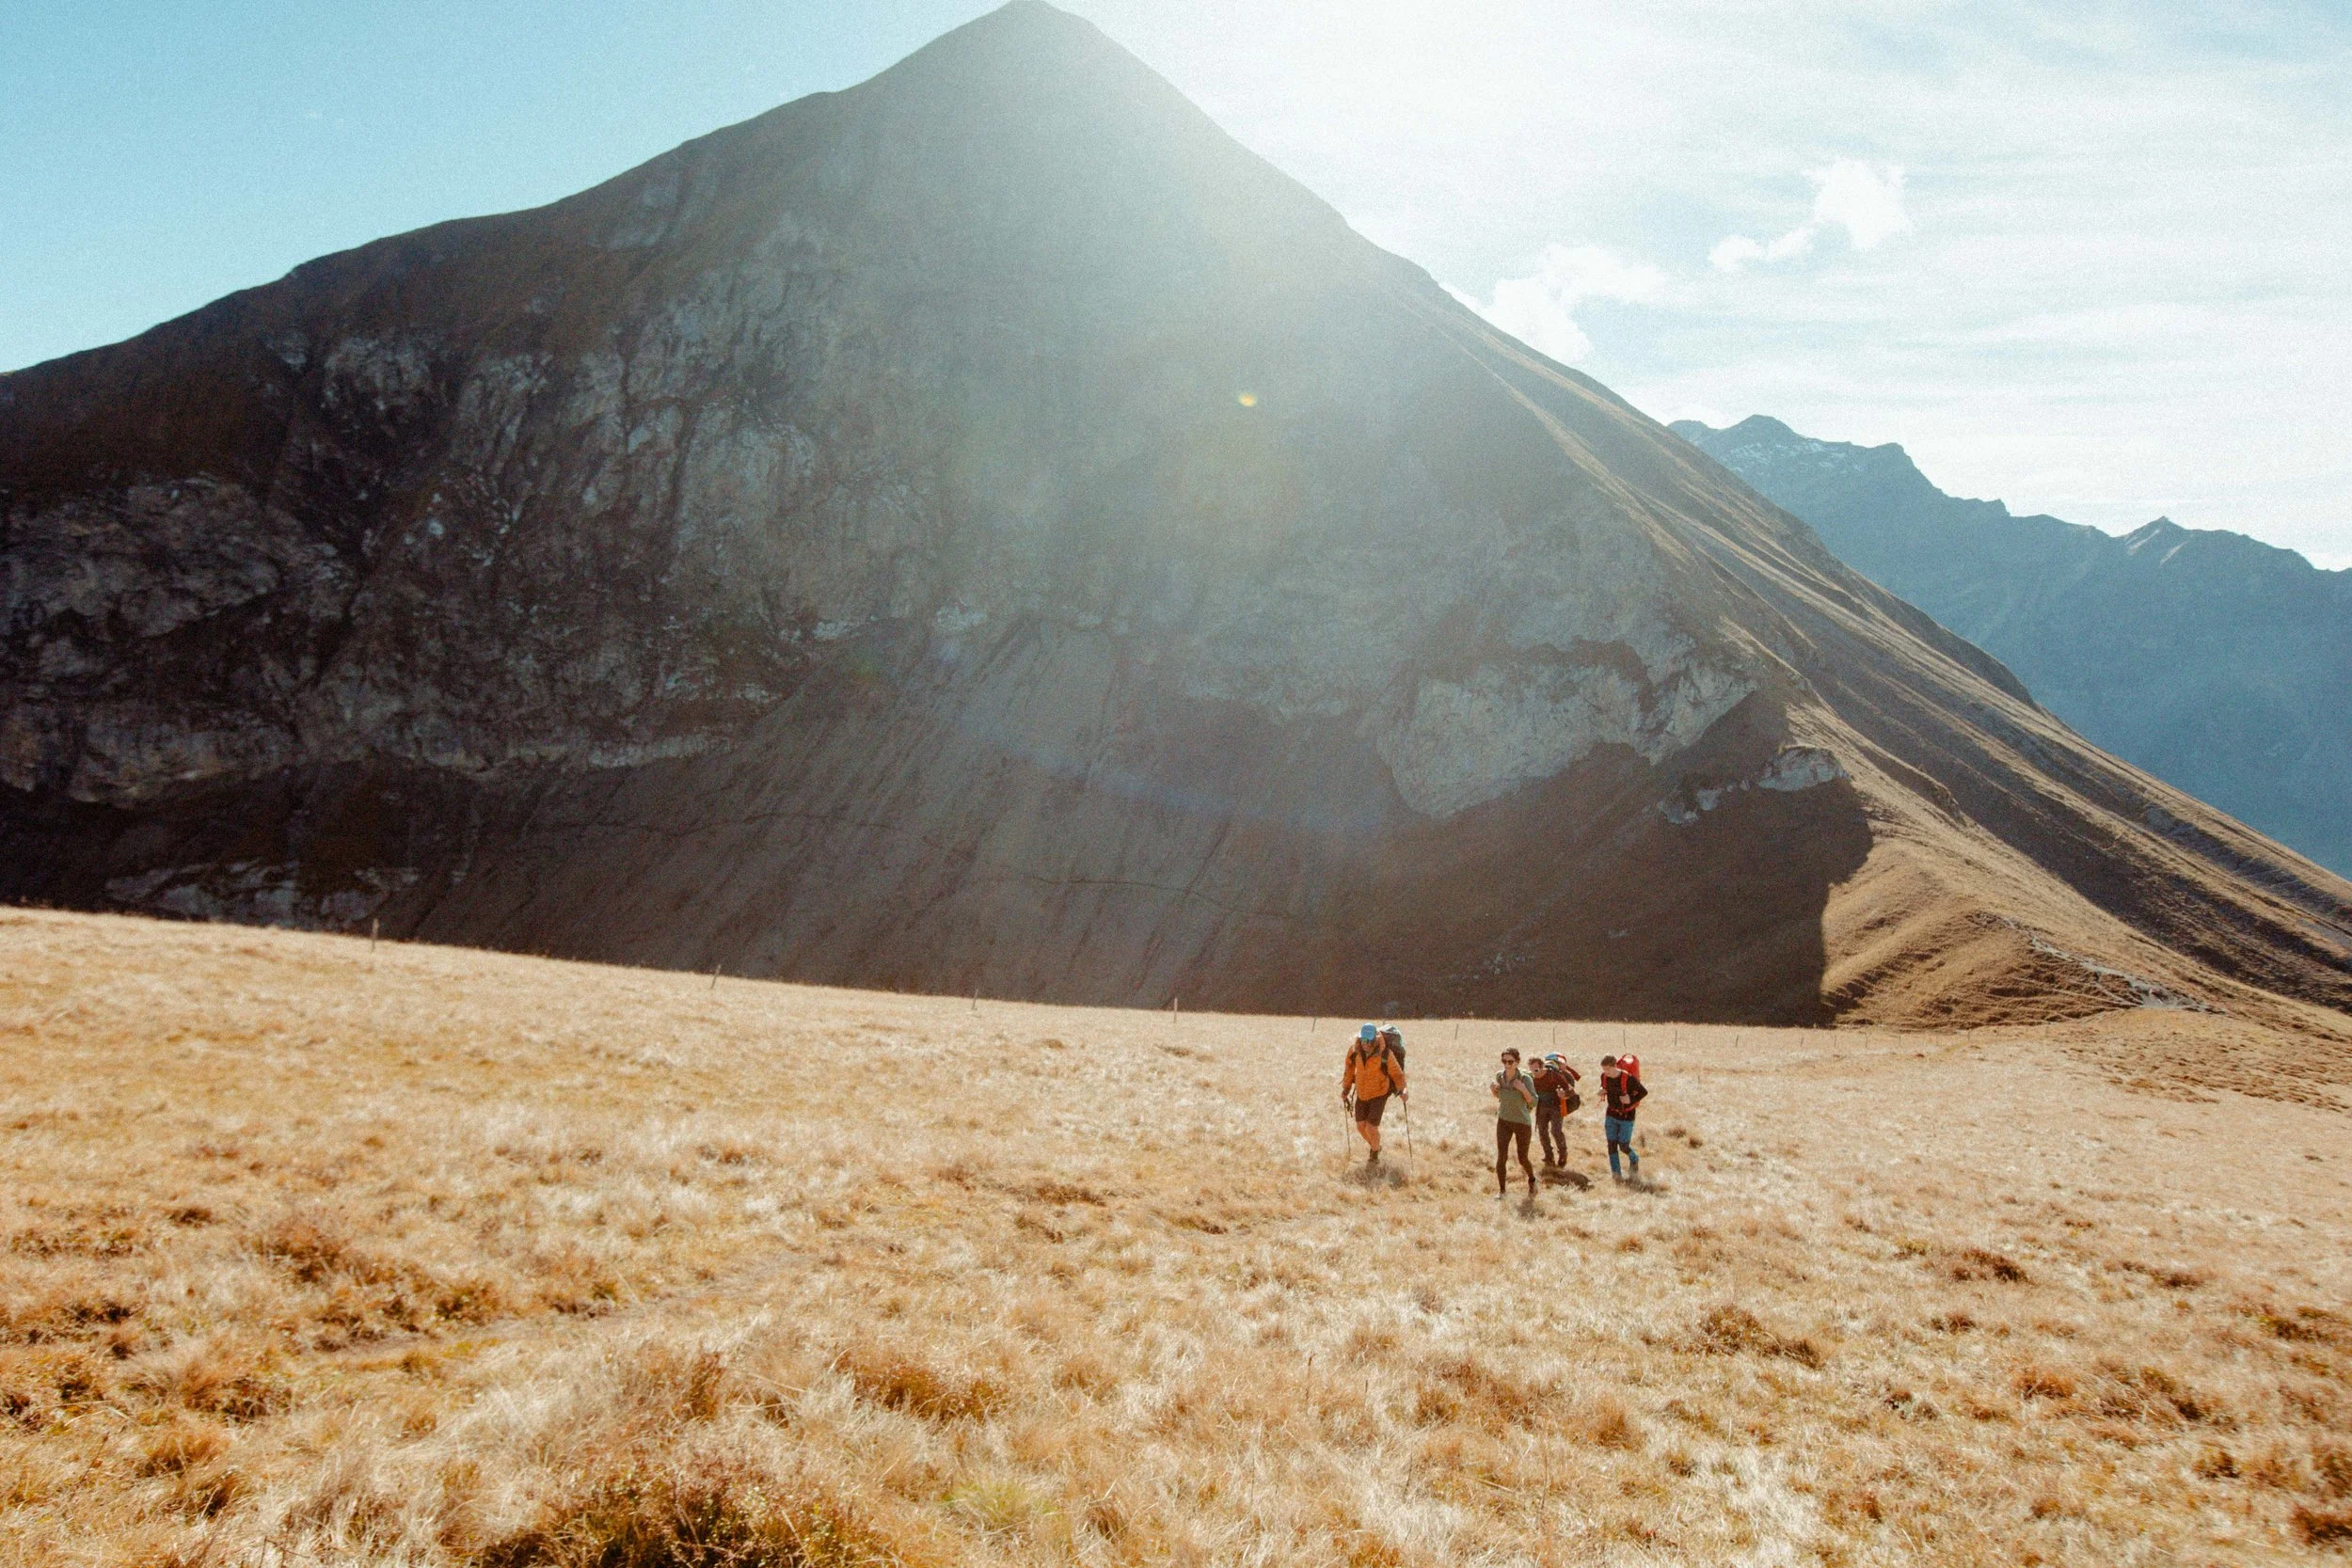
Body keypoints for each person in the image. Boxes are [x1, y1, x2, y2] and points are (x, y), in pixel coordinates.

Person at [1340, 1022, 1406, 1164]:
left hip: (1379, 1094)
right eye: (1363, 1040)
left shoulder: (1386, 1054)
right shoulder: (1354, 1052)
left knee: (1371, 1127)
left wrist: (1403, 1090)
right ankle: (1376, 1147)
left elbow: (1396, 1073)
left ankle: (1374, 1156)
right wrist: (1346, 1089)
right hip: (1362, 1093)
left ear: (1375, 1039)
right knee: (1360, 1127)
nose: (1366, 1044)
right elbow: (1349, 1070)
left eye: (1369, 1041)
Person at [1490, 1048, 1538, 1196]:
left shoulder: (1525, 1079)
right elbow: (1501, 1097)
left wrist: (1523, 1089)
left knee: (1522, 1158)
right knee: (1501, 1156)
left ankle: (1532, 1180)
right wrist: (1493, 1091)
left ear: (1517, 1063)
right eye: (1504, 1061)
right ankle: (1502, 1191)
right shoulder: (1500, 1076)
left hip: (1522, 1123)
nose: (1507, 1064)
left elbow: (1534, 1102)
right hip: (1504, 1121)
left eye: (1510, 1061)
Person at [1599, 1053, 1648, 1180]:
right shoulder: (1604, 1077)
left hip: (1627, 1116)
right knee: (1611, 1144)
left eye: (1607, 1069)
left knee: (1623, 1145)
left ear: (1614, 1066)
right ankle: (1616, 1175)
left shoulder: (1629, 1078)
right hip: (1611, 1114)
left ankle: (1634, 1158)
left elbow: (1644, 1092)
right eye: (1603, 1069)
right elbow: (1603, 1085)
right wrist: (1602, 1090)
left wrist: (1630, 1100)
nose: (1605, 1072)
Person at [1530, 1053, 1581, 1169]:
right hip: (1541, 1107)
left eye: (1536, 1069)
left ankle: (1563, 1154)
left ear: (1543, 1067)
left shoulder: (1553, 1075)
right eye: (1532, 1070)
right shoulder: (1532, 1078)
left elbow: (1571, 1091)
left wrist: (1563, 1094)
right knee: (1542, 1132)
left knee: (1556, 1131)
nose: (1534, 1072)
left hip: (1556, 1106)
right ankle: (1548, 1156)